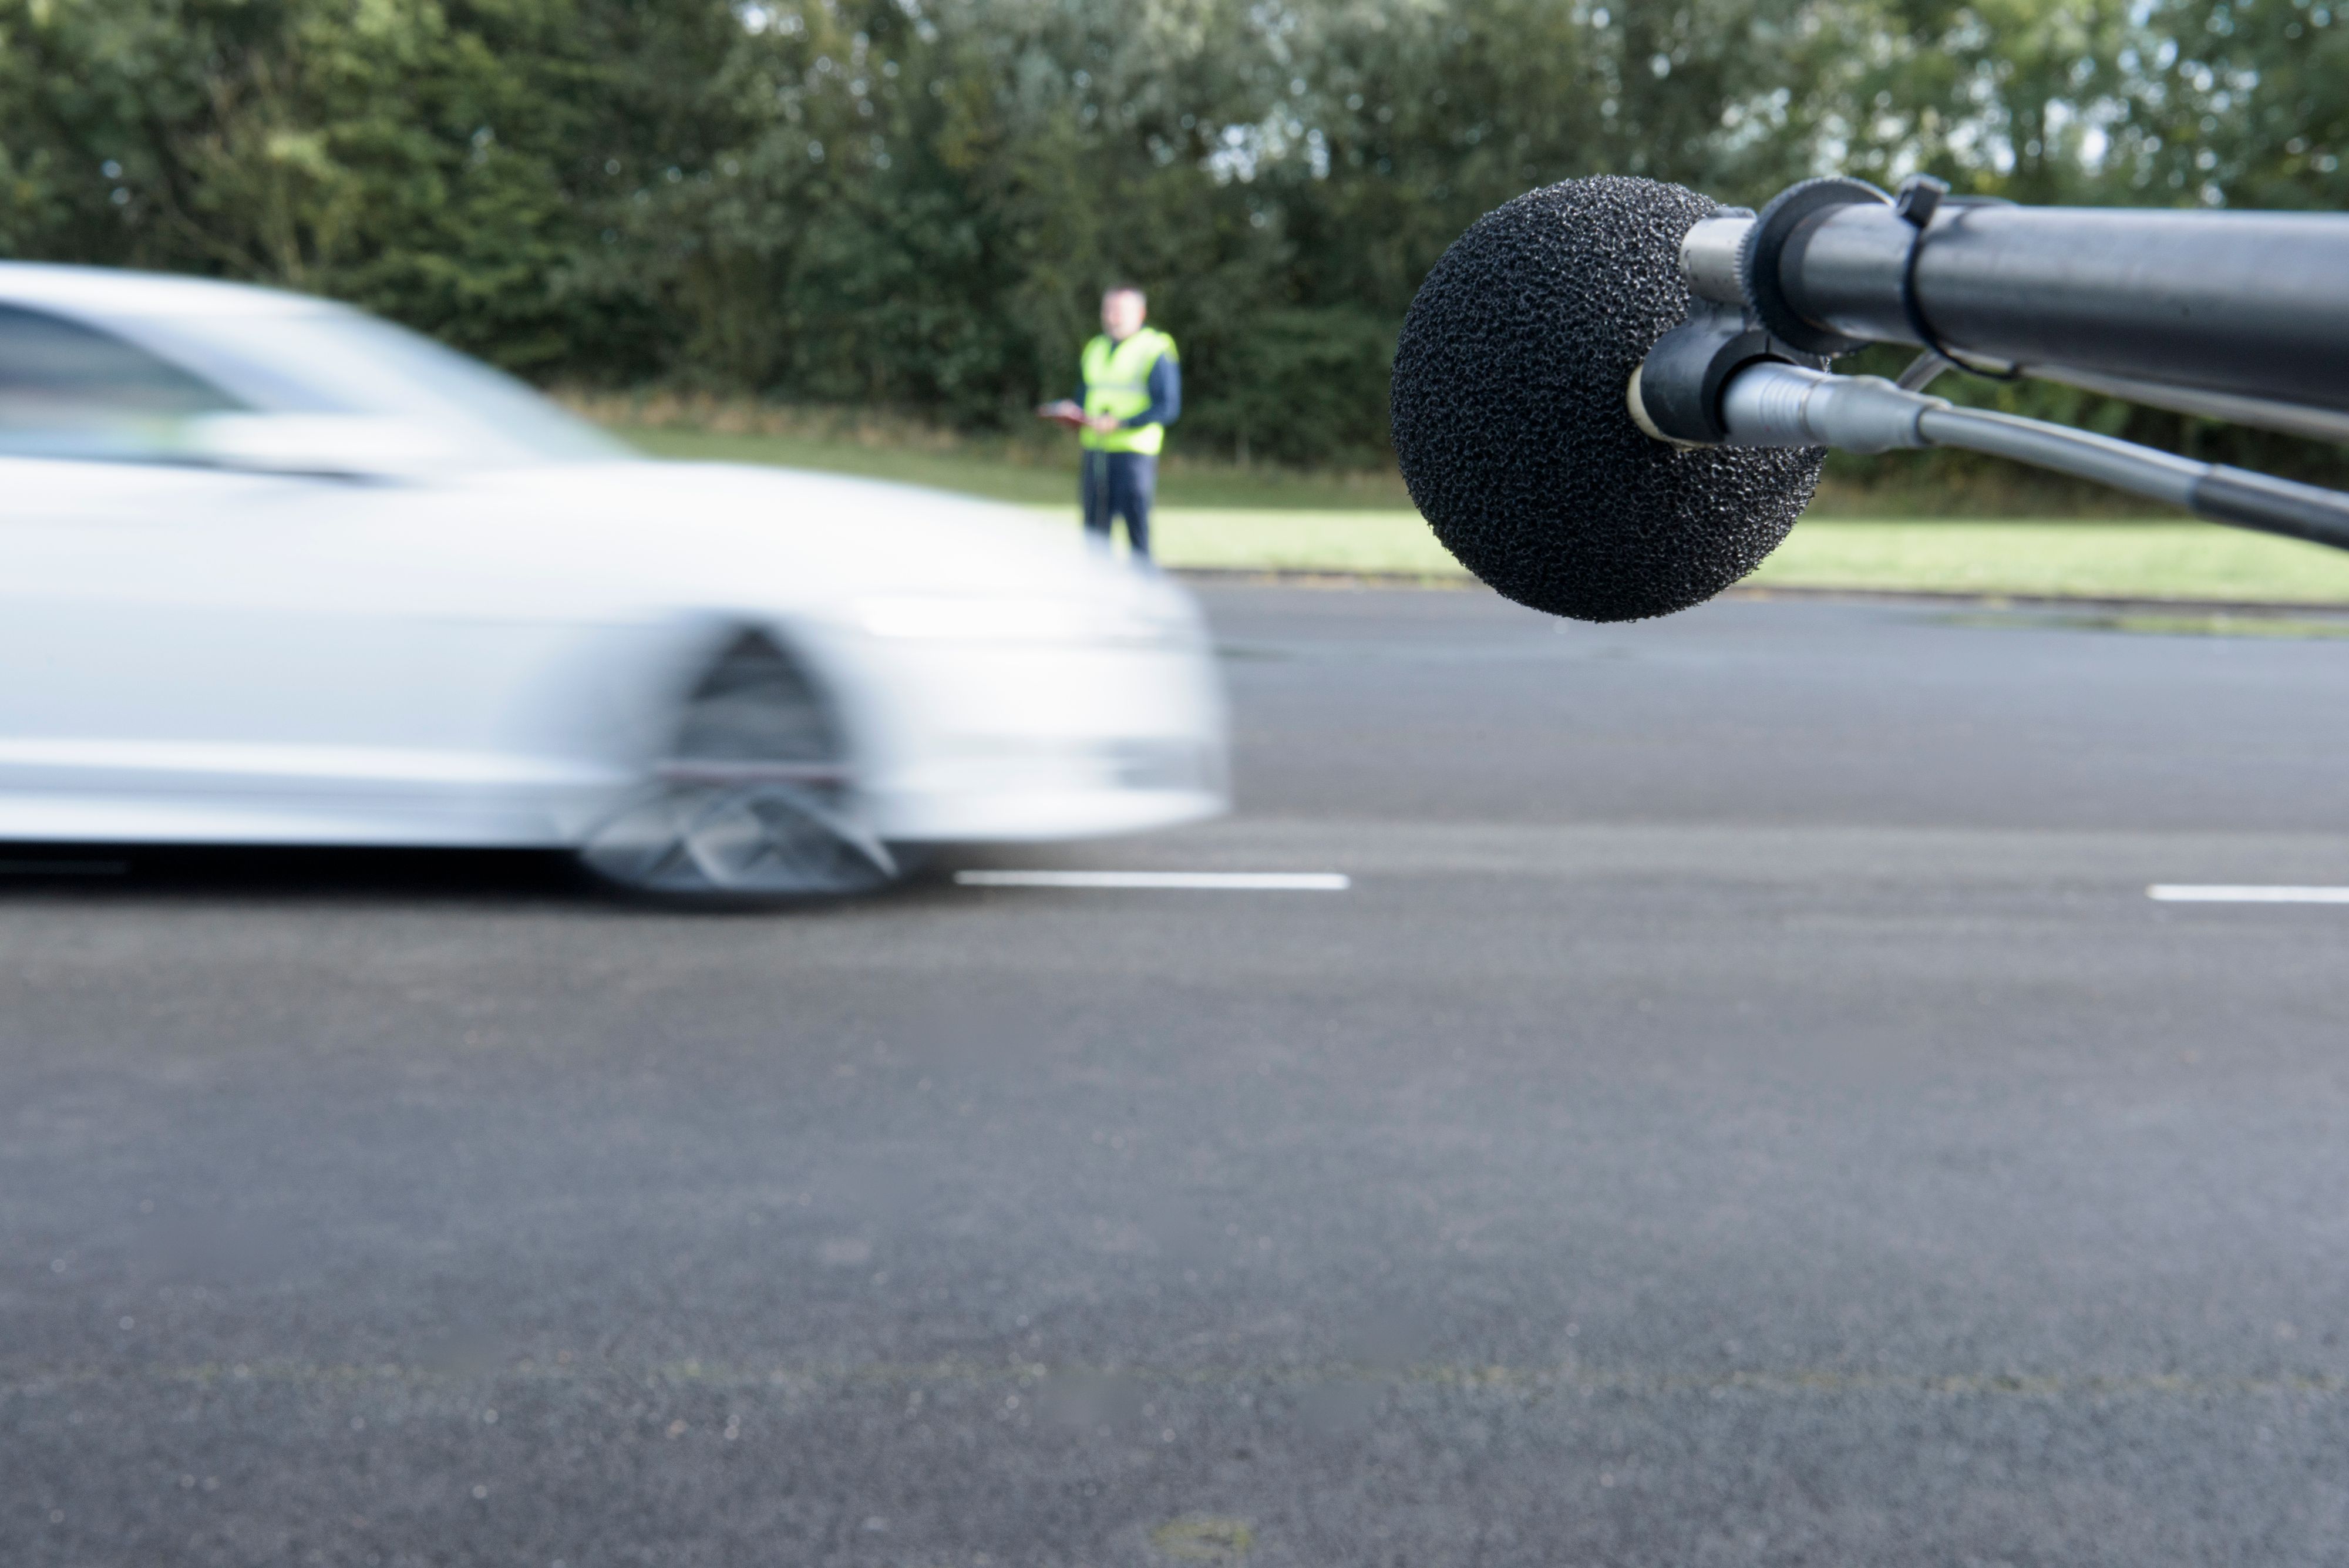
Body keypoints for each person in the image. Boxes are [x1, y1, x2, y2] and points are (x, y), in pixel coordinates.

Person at [1041, 285, 1180, 561]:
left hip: (1134, 455)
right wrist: (1073, 413)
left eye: (1120, 311)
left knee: (1136, 533)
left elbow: (1168, 407)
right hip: (1097, 451)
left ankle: (1144, 596)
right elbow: (1086, 395)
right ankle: (1097, 597)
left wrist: (1123, 423)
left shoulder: (1155, 348)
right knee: (1094, 535)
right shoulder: (1095, 347)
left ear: (1140, 314)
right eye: (1108, 309)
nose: (1112, 317)